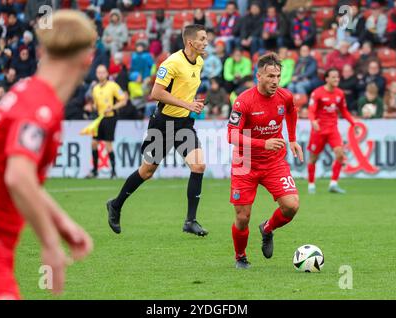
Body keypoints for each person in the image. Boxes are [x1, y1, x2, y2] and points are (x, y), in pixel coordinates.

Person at [0, 10, 95, 300]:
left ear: (42, 50)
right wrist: (50, 243)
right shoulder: (41, 107)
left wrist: (63, 224)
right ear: (87, 59)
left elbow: (10, 174)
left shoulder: (26, 90)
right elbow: (18, 177)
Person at [106, 24, 209, 236]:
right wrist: (188, 104)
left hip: (183, 124)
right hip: (162, 124)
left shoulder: (199, 62)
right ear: (191, 42)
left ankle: (190, 221)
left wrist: (191, 104)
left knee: (198, 165)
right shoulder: (171, 63)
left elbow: (183, 89)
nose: (206, 42)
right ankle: (115, 205)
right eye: (203, 38)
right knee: (147, 171)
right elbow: (156, 93)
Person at [227, 52, 303, 268]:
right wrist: (264, 143)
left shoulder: (285, 96)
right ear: (258, 76)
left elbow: (291, 111)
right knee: (242, 217)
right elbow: (231, 136)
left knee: (291, 206)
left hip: (274, 162)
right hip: (246, 161)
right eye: (270, 76)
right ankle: (240, 257)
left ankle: (268, 228)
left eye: (278, 76)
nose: (275, 81)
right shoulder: (243, 102)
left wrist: (293, 139)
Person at [307, 68, 358, 195]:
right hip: (318, 130)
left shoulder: (340, 94)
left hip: (332, 129)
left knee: (340, 155)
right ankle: (311, 184)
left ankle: (333, 184)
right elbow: (311, 110)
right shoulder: (317, 93)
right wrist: (313, 121)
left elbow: (344, 111)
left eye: (338, 77)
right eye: (334, 77)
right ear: (327, 78)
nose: (337, 79)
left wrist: (353, 123)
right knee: (313, 158)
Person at [87, 64, 128, 178]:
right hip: (99, 118)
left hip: (110, 117)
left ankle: (113, 172)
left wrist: (113, 107)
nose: (101, 74)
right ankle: (95, 170)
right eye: (99, 72)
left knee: (108, 144)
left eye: (103, 72)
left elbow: (123, 100)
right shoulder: (95, 88)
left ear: (107, 73)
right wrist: (92, 107)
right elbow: (95, 103)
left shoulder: (113, 86)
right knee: (94, 143)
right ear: (96, 74)